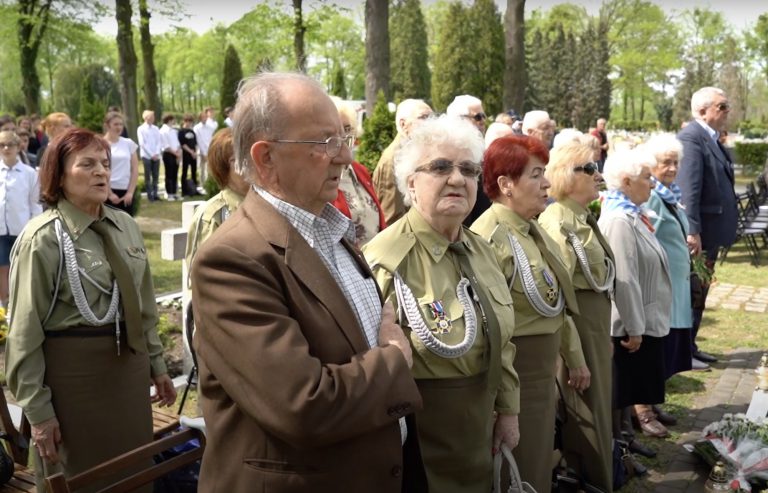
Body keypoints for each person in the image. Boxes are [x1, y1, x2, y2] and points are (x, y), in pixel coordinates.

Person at [190, 72, 424, 493]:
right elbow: (304, 405)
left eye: (343, 139)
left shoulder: (327, 229)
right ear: (266, 159)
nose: (345, 158)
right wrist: (394, 356)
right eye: (324, 143)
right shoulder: (232, 259)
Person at [6, 128, 176, 491]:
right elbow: (24, 334)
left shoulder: (124, 226)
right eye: (87, 164)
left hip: (127, 378)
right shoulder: (43, 239)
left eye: (104, 163)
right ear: (59, 176)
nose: (101, 171)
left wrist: (157, 365)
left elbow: (143, 306)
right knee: (79, 478)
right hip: (74, 385)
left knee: (133, 473)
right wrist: (39, 413)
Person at [363, 115, 519, 493]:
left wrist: (509, 410)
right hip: (419, 436)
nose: (456, 179)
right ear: (411, 183)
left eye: (468, 169)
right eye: (440, 167)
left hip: (479, 428)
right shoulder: (384, 259)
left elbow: (504, 341)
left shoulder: (482, 250)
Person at [470, 135, 587, 492]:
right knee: (515, 469)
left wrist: (576, 357)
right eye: (536, 175)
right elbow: (491, 328)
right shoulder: (488, 237)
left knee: (536, 463)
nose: (547, 183)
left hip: (541, 373)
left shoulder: (531, 229)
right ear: (506, 184)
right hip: (516, 376)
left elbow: (556, 303)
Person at [538, 141, 614, 492]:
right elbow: (560, 299)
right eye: (590, 168)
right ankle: (592, 478)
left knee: (599, 404)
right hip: (579, 330)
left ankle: (602, 473)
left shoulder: (580, 216)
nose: (599, 175)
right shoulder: (557, 221)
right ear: (568, 175)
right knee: (585, 409)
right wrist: (576, 356)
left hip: (595, 326)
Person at [599, 147, 673, 439]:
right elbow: (624, 278)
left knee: (630, 392)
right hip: (631, 324)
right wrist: (634, 326)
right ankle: (622, 447)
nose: (652, 183)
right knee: (623, 391)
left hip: (642, 315)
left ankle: (626, 441)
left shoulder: (633, 214)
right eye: (646, 177)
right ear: (626, 182)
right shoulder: (619, 220)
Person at [676, 87, 738, 371]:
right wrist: (692, 230)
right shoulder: (692, 137)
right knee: (694, 291)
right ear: (702, 111)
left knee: (700, 290)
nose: (727, 111)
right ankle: (685, 351)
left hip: (710, 230)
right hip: (701, 232)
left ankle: (692, 346)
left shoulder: (709, 137)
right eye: (722, 106)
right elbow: (689, 187)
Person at [642, 135, 693, 383]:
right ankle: (647, 404)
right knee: (662, 342)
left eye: (676, 162)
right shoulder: (653, 196)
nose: (672, 168)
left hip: (675, 280)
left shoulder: (670, 193)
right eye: (665, 163)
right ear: (652, 166)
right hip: (663, 285)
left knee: (670, 344)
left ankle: (655, 396)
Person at [185, 127, 248, 271]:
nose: (249, 164)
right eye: (237, 159)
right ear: (223, 168)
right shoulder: (213, 215)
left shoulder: (265, 204)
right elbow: (205, 275)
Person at [330, 97, 385, 246]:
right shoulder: (323, 176)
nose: (344, 137)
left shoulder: (361, 171)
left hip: (376, 263)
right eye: (336, 131)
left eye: (347, 129)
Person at [373, 99, 433, 225]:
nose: (431, 122)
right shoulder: (393, 160)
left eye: (432, 117)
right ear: (403, 124)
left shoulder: (414, 152)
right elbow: (391, 217)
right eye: (424, 117)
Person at [0, 130, 42, 307]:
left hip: (23, 230)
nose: (6, 148)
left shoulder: (29, 173)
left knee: (23, 269)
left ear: (18, 147)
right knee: (2, 269)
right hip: (1, 230)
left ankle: (24, 304)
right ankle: (4, 308)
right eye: (2, 145)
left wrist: (34, 228)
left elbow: (35, 203)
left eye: (10, 144)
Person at [103, 111, 139, 215]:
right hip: (108, 190)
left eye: (121, 124)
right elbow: (100, 170)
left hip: (126, 190)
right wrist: (109, 193)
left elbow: (135, 169)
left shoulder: (128, 143)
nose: (119, 127)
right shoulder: (101, 144)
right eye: (115, 124)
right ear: (107, 125)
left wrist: (130, 192)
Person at [137, 110, 162, 201]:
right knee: (148, 176)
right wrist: (151, 154)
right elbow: (142, 144)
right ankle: (149, 195)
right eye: (151, 117)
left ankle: (155, 194)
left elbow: (159, 141)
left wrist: (156, 153)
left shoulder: (156, 128)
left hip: (156, 155)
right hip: (146, 156)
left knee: (156, 175)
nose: (153, 118)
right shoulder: (141, 129)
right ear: (146, 118)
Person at [160, 114, 182, 201]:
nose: (174, 121)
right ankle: (169, 193)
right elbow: (166, 146)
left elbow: (177, 143)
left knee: (175, 174)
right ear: (169, 120)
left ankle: (174, 192)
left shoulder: (173, 131)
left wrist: (178, 153)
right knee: (169, 174)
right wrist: (175, 153)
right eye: (173, 119)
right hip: (168, 154)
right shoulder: (163, 131)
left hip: (176, 154)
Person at [193, 107, 217, 183]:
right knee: (202, 168)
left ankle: (208, 183)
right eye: (203, 117)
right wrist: (203, 152)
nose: (205, 118)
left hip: (209, 149)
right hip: (201, 151)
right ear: (200, 118)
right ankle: (202, 184)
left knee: (209, 169)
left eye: (206, 117)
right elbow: (199, 141)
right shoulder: (197, 128)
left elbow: (212, 137)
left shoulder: (210, 127)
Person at [178, 114, 199, 196]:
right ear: (184, 121)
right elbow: (183, 144)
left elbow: (195, 143)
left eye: (190, 122)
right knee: (185, 171)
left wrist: (195, 152)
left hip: (193, 154)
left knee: (194, 171)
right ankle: (184, 191)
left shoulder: (192, 131)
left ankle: (194, 189)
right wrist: (190, 152)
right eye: (187, 121)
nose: (189, 123)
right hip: (186, 154)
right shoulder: (181, 132)